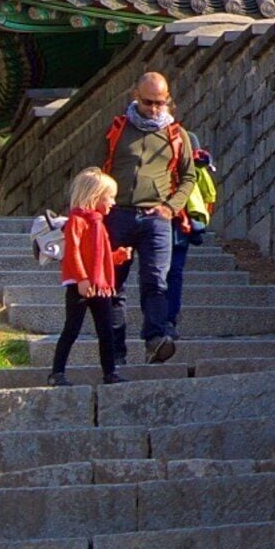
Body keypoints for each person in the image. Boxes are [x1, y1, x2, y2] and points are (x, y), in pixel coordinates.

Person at [101, 71, 207, 363]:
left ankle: (156, 339)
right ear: (136, 96)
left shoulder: (177, 134)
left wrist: (170, 208)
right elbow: (99, 170)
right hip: (118, 215)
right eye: (149, 103)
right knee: (112, 285)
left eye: (161, 103)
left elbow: (188, 177)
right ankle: (115, 351)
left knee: (156, 281)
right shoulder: (117, 128)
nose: (155, 109)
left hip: (156, 218)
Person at [52, 167, 130, 385]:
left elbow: (102, 258)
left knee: (106, 330)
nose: (113, 203)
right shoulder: (77, 221)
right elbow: (73, 252)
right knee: (72, 329)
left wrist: (118, 257)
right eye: (110, 198)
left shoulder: (99, 225)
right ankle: (57, 372)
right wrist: (82, 279)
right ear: (95, 197)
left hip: (101, 285)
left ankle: (110, 372)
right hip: (81, 284)